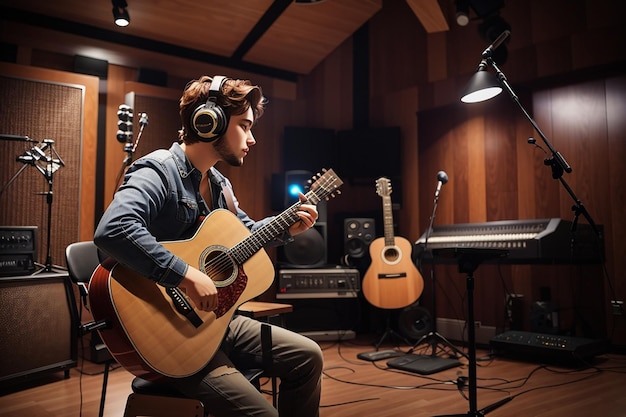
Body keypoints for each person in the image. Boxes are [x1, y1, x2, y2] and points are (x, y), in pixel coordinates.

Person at [94, 75, 323, 416]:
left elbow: (247, 237)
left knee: (309, 356)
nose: (252, 138)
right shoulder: (159, 171)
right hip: (172, 337)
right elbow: (114, 228)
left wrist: (287, 226)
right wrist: (185, 274)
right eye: (244, 126)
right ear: (208, 122)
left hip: (217, 322)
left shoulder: (220, 186)